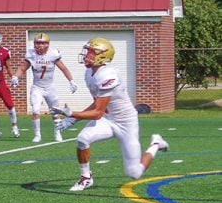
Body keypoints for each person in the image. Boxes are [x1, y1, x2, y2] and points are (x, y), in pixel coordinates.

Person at [51, 37, 169, 191]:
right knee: (83, 139)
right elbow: (98, 103)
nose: (87, 55)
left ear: (102, 55)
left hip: (125, 122)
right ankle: (86, 178)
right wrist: (73, 119)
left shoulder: (108, 75)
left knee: (134, 172)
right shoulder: (89, 73)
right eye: (87, 51)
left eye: (91, 52)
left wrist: (73, 114)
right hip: (108, 119)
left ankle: (156, 144)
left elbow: (97, 113)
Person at [15, 32, 78, 143]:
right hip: (37, 87)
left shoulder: (53, 54)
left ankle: (57, 133)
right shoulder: (31, 54)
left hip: (50, 87)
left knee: (55, 112)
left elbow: (63, 68)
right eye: (37, 43)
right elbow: (22, 68)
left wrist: (71, 81)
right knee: (35, 110)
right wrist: (16, 77)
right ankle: (37, 135)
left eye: (42, 43)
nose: (39, 46)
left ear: (47, 44)